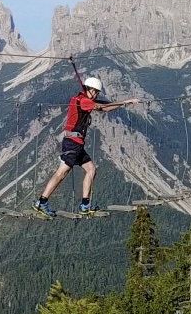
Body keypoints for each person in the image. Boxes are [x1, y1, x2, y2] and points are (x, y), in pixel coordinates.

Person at [33, 76, 140, 217]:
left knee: (91, 170)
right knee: (61, 173)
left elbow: (106, 107)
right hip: (72, 143)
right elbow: (101, 107)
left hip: (77, 144)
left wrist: (123, 104)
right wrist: (126, 101)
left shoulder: (83, 99)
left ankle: (85, 205)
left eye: (97, 92)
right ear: (87, 89)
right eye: (94, 91)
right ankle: (42, 202)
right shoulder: (84, 101)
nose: (95, 94)